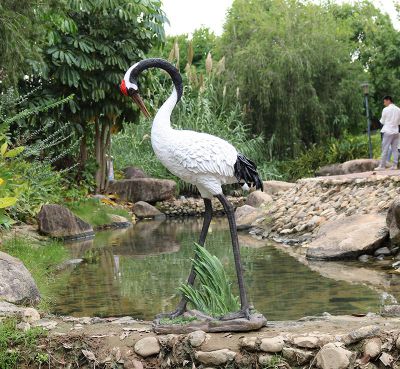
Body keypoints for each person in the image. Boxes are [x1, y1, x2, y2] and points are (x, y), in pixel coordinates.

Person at [375, 96, 400, 170]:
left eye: (384, 101)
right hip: (396, 131)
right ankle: (395, 165)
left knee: (385, 149)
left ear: (388, 100)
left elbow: (382, 121)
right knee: (395, 149)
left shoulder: (385, 109)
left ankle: (382, 166)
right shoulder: (398, 109)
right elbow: (399, 122)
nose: (384, 103)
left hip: (387, 131)